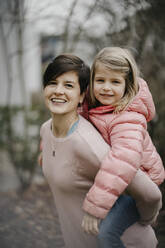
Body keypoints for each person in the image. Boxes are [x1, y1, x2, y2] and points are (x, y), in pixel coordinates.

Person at [40, 53, 159, 248]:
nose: (59, 91)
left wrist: (145, 217)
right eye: (53, 83)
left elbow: (150, 193)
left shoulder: (95, 137)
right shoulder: (48, 129)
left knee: (109, 232)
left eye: (68, 85)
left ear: (81, 95)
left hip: (125, 239)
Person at [81, 47, 165, 248]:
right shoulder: (98, 108)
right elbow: (71, 124)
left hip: (138, 188)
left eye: (115, 82)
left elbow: (122, 160)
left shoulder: (127, 119)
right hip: (122, 183)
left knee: (106, 234)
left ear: (127, 85)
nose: (106, 88)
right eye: (100, 80)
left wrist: (95, 208)